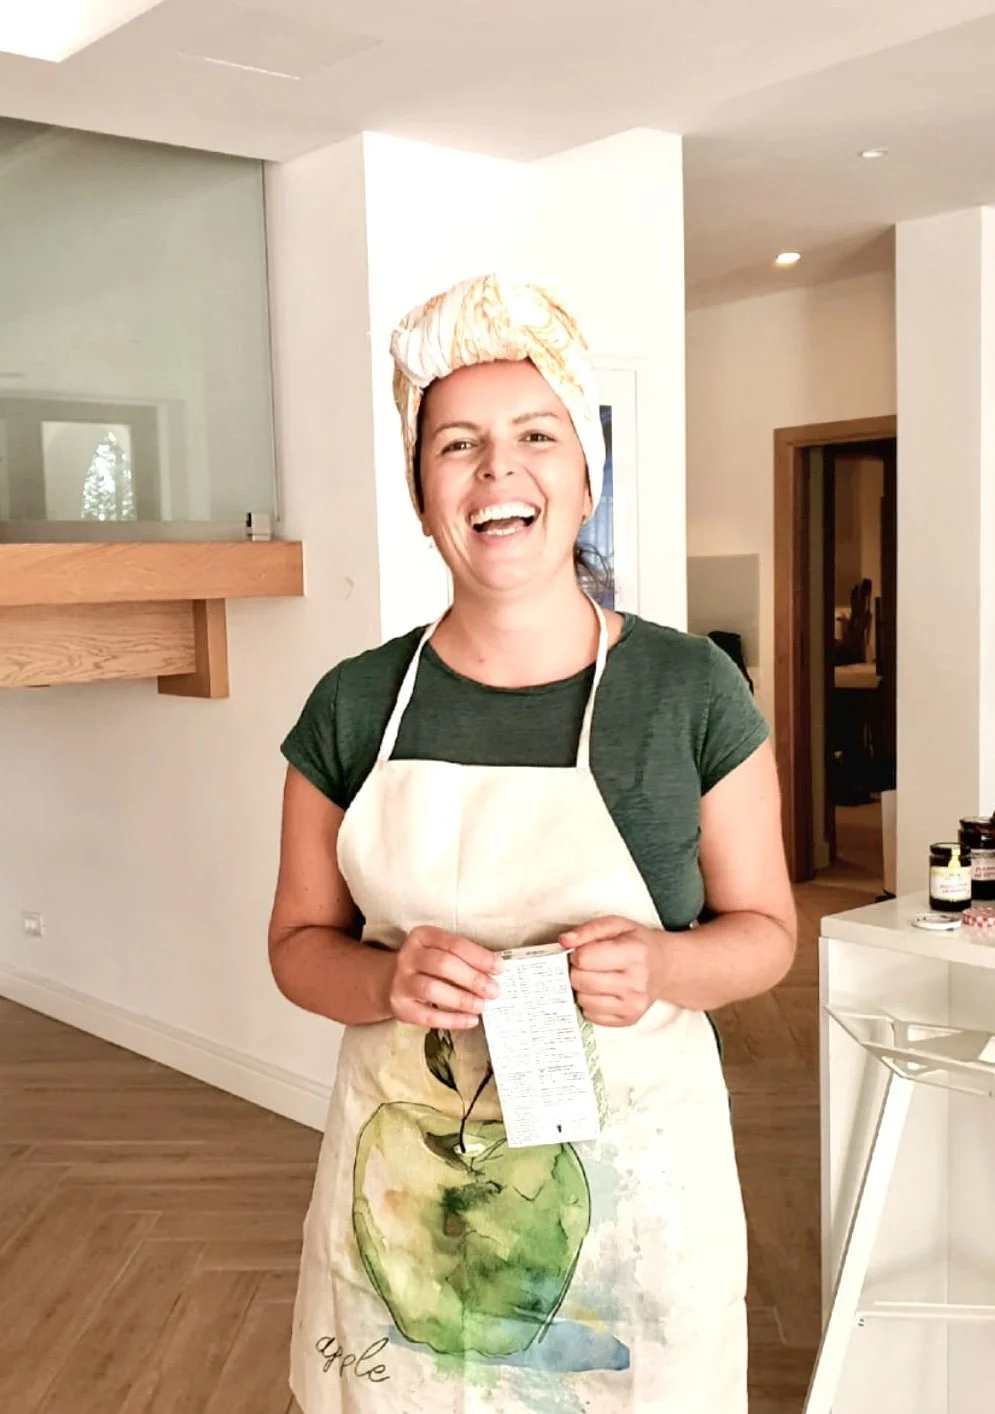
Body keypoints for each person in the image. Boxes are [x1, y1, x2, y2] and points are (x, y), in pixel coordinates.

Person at [269, 272, 796, 1414]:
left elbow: (764, 936)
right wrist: (384, 973)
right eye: (455, 443)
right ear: (421, 492)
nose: (496, 469)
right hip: (409, 1208)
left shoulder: (686, 689)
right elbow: (297, 946)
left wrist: (660, 964)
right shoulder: (354, 706)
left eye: (533, 434)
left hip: (634, 1203)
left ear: (581, 473)